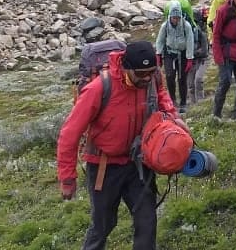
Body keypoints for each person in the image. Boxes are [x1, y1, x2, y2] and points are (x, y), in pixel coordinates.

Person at [56, 41, 185, 249]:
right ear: (126, 68)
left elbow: (164, 103)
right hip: (104, 167)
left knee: (147, 220)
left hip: (139, 164)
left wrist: (174, 124)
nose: (146, 78)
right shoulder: (99, 88)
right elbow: (69, 134)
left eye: (150, 72)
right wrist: (67, 178)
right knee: (103, 226)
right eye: (140, 73)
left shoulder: (152, 79)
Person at [187, 5, 211, 103]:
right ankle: (193, 104)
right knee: (190, 84)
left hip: (202, 60)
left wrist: (192, 52)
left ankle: (200, 102)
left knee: (198, 79)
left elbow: (204, 51)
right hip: (191, 60)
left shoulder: (202, 33)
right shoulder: (186, 32)